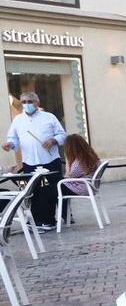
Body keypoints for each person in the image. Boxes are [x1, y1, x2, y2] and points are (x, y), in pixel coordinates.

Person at [3, 91, 66, 229]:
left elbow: (62, 135)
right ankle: (36, 222)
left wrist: (53, 140)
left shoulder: (49, 117)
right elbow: (13, 138)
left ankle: (49, 220)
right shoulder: (18, 120)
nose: (26, 104)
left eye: (29, 101)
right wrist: (10, 144)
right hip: (30, 162)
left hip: (50, 160)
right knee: (34, 191)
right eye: (24, 102)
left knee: (49, 191)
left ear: (37, 103)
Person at [59, 134, 100, 223]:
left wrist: (68, 161)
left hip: (82, 188)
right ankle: (66, 215)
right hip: (90, 186)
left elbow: (68, 176)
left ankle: (58, 217)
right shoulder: (91, 157)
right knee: (59, 187)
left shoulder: (79, 162)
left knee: (54, 188)